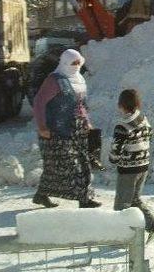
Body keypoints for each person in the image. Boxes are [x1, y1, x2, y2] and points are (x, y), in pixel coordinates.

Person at [32, 49, 101, 208]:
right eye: (73, 63)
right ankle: (83, 199)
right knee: (67, 165)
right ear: (64, 63)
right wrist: (42, 126)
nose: (76, 66)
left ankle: (42, 195)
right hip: (56, 131)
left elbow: (82, 104)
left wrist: (87, 122)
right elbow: (39, 103)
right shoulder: (54, 80)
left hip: (78, 128)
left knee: (82, 163)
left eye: (78, 62)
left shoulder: (79, 79)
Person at [109, 89, 154, 233]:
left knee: (122, 205)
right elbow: (150, 134)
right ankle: (152, 224)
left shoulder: (122, 126)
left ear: (120, 105)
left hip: (128, 169)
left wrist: (113, 159)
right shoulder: (144, 119)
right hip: (143, 165)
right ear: (137, 104)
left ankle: (122, 234)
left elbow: (116, 149)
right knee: (135, 199)